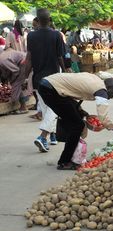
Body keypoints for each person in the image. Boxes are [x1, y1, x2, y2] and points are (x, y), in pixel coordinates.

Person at [38, 73, 113, 170]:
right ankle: (64, 162)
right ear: (108, 88)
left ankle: (71, 157)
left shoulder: (96, 80)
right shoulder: (101, 91)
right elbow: (104, 119)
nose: (111, 97)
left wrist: (83, 113)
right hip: (51, 90)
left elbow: (74, 94)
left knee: (76, 119)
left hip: (48, 84)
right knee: (77, 126)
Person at [25, 8, 67, 152]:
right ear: (50, 20)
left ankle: (53, 136)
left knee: (45, 108)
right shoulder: (56, 35)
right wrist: (66, 70)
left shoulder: (31, 36)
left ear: (37, 20)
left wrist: (25, 76)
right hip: (53, 79)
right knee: (54, 108)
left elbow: (29, 59)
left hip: (38, 79)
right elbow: (60, 56)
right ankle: (43, 136)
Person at [0, 48, 30, 114]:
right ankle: (23, 106)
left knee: (16, 84)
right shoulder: (3, 56)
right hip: (23, 62)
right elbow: (7, 70)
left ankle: (22, 107)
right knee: (19, 85)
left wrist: (12, 81)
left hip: (23, 63)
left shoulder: (2, 59)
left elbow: (16, 71)